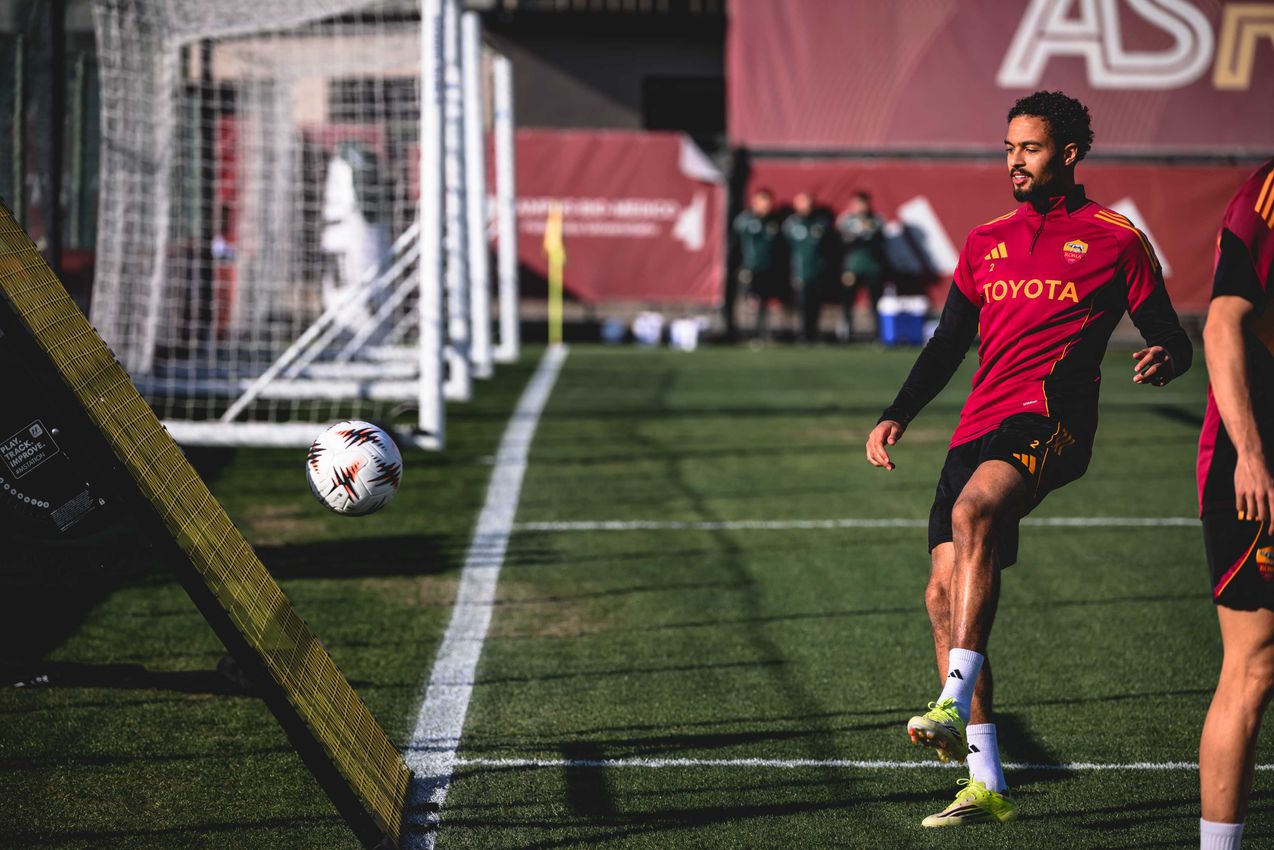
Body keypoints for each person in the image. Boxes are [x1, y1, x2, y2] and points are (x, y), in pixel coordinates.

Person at [863, 90, 1192, 827]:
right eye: (1010, 146)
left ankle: (950, 702)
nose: (1015, 159)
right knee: (940, 594)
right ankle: (985, 784)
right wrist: (896, 414)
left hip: (1053, 418)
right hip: (977, 426)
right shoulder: (985, 240)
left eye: (1031, 148)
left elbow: (1172, 332)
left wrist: (1165, 355)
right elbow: (949, 343)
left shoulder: (1116, 238)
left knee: (974, 509)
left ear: (1068, 155)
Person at [1196, 157, 1274, 850]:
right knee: (1255, 662)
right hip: (1262, 456)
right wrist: (1251, 454)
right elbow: (1221, 324)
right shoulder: (1272, 189)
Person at [731, 188, 785, 342]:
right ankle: (743, 332)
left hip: (767, 268)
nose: (767, 205)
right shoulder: (744, 220)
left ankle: (760, 333)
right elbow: (736, 246)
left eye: (769, 202)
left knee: (764, 301)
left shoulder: (773, 222)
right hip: (749, 268)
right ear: (755, 202)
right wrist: (741, 267)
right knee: (748, 300)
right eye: (764, 201)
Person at [837, 190, 887, 341]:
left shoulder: (876, 220)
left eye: (862, 203)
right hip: (852, 267)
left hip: (872, 267)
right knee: (847, 300)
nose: (860, 207)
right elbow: (843, 241)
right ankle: (846, 332)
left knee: (875, 301)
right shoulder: (846, 220)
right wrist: (858, 234)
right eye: (857, 203)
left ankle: (878, 333)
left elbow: (879, 242)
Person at [782, 192, 833, 342]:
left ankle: (814, 332)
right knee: (802, 304)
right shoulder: (790, 224)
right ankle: (802, 334)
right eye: (802, 203)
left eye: (808, 203)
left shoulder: (821, 223)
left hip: (817, 271)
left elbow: (829, 247)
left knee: (816, 304)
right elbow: (784, 248)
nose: (806, 206)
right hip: (799, 271)